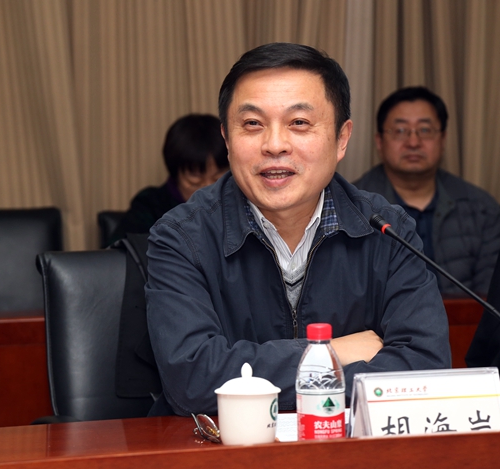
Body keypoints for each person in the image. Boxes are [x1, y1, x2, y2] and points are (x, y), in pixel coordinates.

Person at [145, 43, 451, 416]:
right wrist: (330, 353)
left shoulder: (388, 230)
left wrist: (260, 373)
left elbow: (425, 366)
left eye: (299, 123)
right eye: (252, 124)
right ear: (227, 139)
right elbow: (192, 379)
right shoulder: (181, 237)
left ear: (341, 139)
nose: (275, 145)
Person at [354, 87, 500, 296]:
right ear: (379, 142)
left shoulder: (480, 208)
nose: (413, 142)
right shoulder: (352, 207)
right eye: (400, 131)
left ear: (443, 140)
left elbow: (493, 293)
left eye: (425, 130)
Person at [108, 113, 229, 245]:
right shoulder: (150, 204)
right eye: (196, 177)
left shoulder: (238, 201)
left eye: (218, 176)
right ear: (176, 173)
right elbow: (116, 253)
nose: (209, 186)